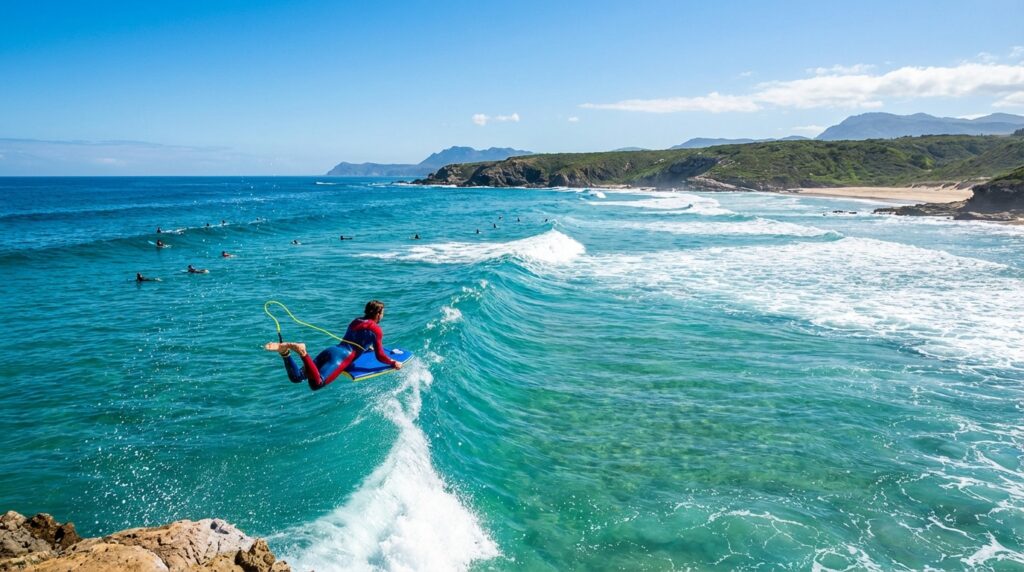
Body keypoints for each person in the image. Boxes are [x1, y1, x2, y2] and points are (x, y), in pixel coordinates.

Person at [265, 300, 402, 391]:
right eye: (382, 313)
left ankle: (285, 353)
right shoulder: (376, 330)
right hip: (341, 358)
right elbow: (380, 356)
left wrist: (367, 347)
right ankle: (303, 352)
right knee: (317, 383)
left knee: (298, 377)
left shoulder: (356, 321)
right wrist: (392, 362)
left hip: (332, 350)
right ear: (378, 314)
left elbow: (357, 340)